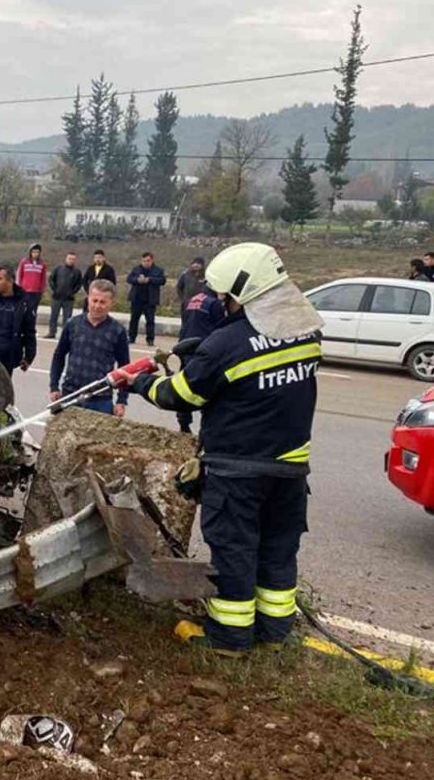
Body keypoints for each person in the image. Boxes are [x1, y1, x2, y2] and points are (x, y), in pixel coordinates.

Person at [124, 242, 323, 655]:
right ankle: (273, 633)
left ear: (242, 294)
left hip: (238, 473)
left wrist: (139, 383)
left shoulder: (225, 345)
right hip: (290, 471)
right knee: (277, 550)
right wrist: (207, 358)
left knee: (234, 551)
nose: (220, 301)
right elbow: (260, 369)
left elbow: (179, 395)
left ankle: (229, 637)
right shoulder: (306, 332)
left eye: (224, 296)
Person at [49, 279, 129, 417]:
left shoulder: (118, 331)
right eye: (94, 300)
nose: (97, 305)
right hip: (70, 395)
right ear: (88, 299)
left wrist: (121, 401)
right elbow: (59, 355)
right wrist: (54, 386)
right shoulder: (72, 324)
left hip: (101, 399)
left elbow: (125, 368)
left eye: (103, 302)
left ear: (112, 303)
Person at [175, 283, 225, 434]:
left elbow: (185, 323)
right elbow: (221, 329)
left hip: (185, 348)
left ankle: (184, 424)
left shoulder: (189, 301)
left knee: (184, 388)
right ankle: (206, 426)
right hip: (204, 351)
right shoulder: (214, 304)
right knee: (207, 390)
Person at [127, 251, 166, 345]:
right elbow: (129, 279)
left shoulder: (158, 270)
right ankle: (131, 337)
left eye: (148, 261)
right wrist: (137, 280)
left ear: (152, 260)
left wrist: (150, 279)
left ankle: (150, 339)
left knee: (150, 320)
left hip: (150, 300)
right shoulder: (136, 269)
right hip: (137, 299)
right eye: (144, 261)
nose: (146, 263)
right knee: (134, 319)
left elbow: (162, 281)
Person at [46, 251, 83, 339]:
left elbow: (79, 284)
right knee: (53, 316)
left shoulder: (77, 272)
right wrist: (54, 290)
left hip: (69, 299)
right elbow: (51, 279)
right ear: (66, 258)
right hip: (57, 297)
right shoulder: (58, 268)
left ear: (75, 260)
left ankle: (65, 335)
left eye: (73, 259)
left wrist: (72, 292)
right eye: (69, 258)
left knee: (67, 319)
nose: (71, 260)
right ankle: (52, 332)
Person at [15, 243, 47, 313]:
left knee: (33, 311)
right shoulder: (24, 262)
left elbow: (43, 278)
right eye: (34, 252)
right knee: (23, 309)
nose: (35, 254)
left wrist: (42, 290)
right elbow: (19, 275)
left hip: (36, 292)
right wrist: (18, 288)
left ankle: (31, 323)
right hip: (25, 291)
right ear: (30, 252)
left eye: (37, 252)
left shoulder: (42, 264)